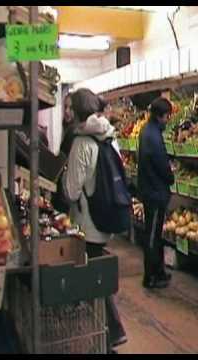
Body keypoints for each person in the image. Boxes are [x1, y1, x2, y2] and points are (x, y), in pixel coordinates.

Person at [63, 88, 127, 351]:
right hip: (105, 217)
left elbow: (71, 191)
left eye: (68, 108)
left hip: (85, 224)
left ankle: (109, 335)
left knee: (92, 282)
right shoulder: (110, 138)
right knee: (98, 277)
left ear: (77, 111)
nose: (65, 112)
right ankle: (109, 334)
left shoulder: (81, 144)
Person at [137, 97, 175, 289]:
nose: (168, 120)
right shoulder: (153, 136)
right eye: (167, 116)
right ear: (160, 116)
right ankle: (150, 276)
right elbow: (161, 165)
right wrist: (171, 176)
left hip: (149, 190)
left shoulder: (147, 131)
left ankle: (158, 272)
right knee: (152, 234)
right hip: (155, 192)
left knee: (154, 233)